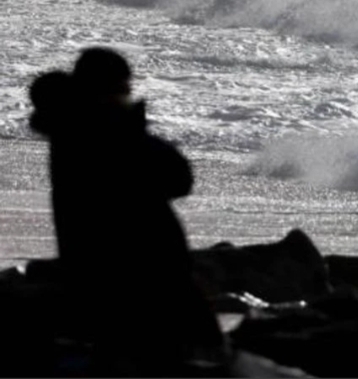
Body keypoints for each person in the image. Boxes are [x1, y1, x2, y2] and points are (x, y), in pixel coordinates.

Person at [29, 47, 226, 375]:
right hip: (139, 277)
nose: (128, 92)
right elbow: (177, 177)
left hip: (103, 275)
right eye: (124, 85)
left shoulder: (72, 129)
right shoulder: (104, 131)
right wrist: (131, 125)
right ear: (110, 88)